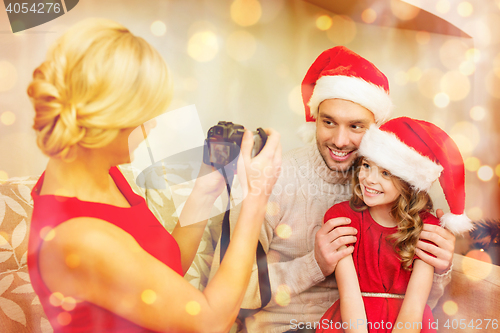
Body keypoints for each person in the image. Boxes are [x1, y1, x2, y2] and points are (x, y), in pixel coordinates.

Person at [26, 18, 281, 332]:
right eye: (145, 117)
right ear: (107, 122)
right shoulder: (78, 238)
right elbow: (210, 322)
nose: (153, 126)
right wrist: (257, 197)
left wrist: (204, 191)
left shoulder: (101, 175)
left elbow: (161, 270)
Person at [209, 46, 457, 333]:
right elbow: (224, 289)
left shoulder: (394, 193)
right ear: (315, 117)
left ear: (376, 129)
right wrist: (313, 263)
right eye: (329, 122)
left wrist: (439, 267)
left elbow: (418, 302)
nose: (340, 140)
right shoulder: (275, 177)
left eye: (356, 126)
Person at [316, 117, 473, 333]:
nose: (369, 179)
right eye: (366, 165)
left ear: (408, 183)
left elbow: (415, 307)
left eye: (386, 173)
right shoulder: (342, 217)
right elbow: (349, 295)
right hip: (353, 322)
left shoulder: (427, 227)